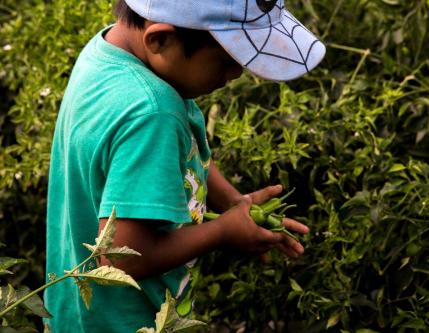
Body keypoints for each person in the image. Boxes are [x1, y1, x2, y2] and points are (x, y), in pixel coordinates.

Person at [44, 0, 326, 331]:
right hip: (124, 322)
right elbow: (120, 256)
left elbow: (185, 149)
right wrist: (223, 231)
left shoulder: (112, 53)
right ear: (161, 39)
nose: (237, 73)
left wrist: (234, 202)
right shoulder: (153, 113)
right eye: (226, 60)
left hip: (75, 313)